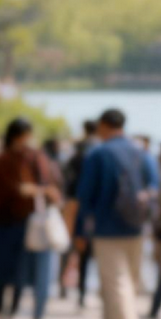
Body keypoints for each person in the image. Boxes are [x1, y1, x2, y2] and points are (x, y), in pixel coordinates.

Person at [77, 108, 159, 319]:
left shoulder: (98, 153)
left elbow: (85, 195)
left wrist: (81, 230)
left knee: (115, 282)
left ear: (103, 125)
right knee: (126, 282)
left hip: (106, 229)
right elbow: (155, 185)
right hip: (136, 226)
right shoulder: (142, 153)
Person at [0, 117, 61, 319]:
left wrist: (36, 190)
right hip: (6, 221)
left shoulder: (35, 157)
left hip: (30, 223)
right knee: (1, 272)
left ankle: (13, 314)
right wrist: (20, 190)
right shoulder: (2, 160)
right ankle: (1, 313)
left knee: (21, 273)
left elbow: (49, 184)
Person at [61, 119, 98, 306]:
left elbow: (66, 179)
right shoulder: (98, 150)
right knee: (87, 251)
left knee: (68, 245)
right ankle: (83, 291)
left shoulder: (76, 152)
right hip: (91, 207)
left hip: (72, 203)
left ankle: (64, 286)